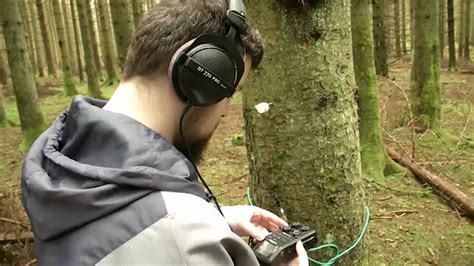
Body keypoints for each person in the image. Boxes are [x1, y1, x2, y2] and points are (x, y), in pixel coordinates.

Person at [21, 0, 308, 265]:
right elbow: (168, 236)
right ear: (199, 78)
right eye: (229, 93)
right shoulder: (183, 236)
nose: (224, 112)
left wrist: (216, 217)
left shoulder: (58, 159)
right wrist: (193, 224)